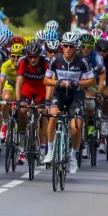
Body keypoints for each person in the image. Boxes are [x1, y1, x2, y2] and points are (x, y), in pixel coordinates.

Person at [43, 32, 95, 174]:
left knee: (76, 127)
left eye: (71, 46)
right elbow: (46, 80)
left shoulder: (82, 61)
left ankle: (73, 156)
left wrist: (78, 83)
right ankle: (50, 150)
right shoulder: (55, 59)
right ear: (62, 46)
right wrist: (57, 82)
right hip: (59, 94)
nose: (68, 49)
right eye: (65, 46)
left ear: (76, 47)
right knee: (53, 116)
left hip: (76, 95)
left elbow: (92, 81)